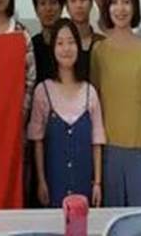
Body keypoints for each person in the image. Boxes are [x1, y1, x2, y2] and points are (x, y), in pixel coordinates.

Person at [90, 0, 141, 207]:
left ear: (134, 6)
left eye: (126, 2)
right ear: (106, 7)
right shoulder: (99, 51)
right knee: (111, 222)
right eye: (114, 2)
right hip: (109, 154)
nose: (120, 9)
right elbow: (94, 111)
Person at [29, 19, 106, 208]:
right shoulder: (43, 91)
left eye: (71, 42)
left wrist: (97, 183)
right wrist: (41, 181)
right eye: (60, 43)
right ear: (53, 49)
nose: (66, 49)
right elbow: (37, 141)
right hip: (54, 183)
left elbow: (97, 141)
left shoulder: (89, 92)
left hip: (84, 182)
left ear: (78, 47)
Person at [62, 0, 103, 80]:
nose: (78, 5)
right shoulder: (60, 45)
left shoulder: (102, 43)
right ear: (66, 6)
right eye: (73, 0)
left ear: (91, 3)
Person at [30, 0, 65, 82]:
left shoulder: (70, 46)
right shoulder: (31, 46)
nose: (48, 8)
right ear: (36, 9)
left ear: (61, 7)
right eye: (42, 3)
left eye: (53, 2)